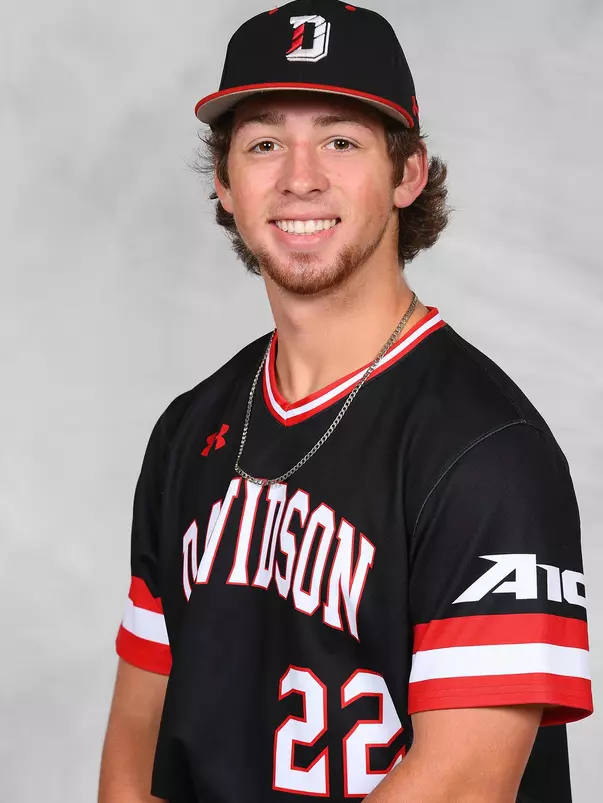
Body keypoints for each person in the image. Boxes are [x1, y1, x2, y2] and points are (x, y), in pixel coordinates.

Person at [98, 1, 593, 801]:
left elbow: (462, 785)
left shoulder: (490, 449)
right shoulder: (188, 431)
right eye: (264, 143)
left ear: (406, 174)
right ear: (224, 183)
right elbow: (131, 755)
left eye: (339, 139)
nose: (300, 177)